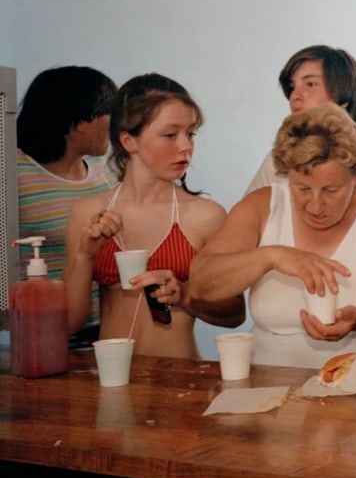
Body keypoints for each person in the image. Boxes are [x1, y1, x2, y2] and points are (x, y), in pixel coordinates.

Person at [189, 104, 356, 369]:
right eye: (301, 188)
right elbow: (201, 282)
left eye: (331, 190)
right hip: (268, 388)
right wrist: (272, 256)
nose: (315, 205)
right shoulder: (262, 206)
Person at [63, 74, 245, 359]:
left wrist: (184, 295)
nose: (185, 146)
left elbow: (235, 313)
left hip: (181, 378)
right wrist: (85, 256)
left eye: (191, 134)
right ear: (129, 141)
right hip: (112, 377)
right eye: (170, 135)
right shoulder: (87, 213)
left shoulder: (205, 215)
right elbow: (68, 322)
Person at [17, 66, 118, 340]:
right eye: (109, 113)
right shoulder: (15, 173)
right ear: (80, 123)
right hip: (44, 335)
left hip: (108, 331)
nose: (115, 125)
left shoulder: (104, 171)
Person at [245, 45, 356, 205]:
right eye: (291, 87)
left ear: (344, 98)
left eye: (311, 84)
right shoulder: (276, 163)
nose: (294, 96)